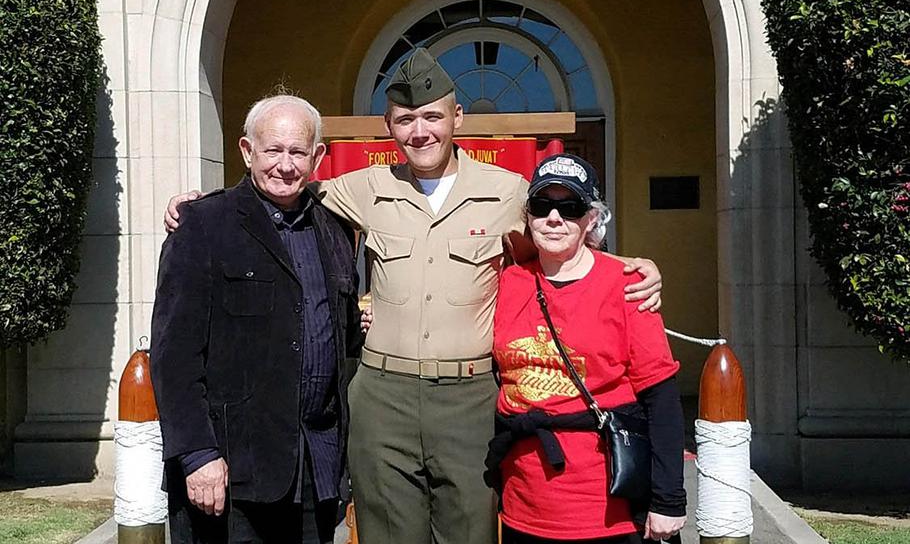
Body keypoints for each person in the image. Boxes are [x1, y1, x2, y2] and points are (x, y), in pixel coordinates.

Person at [164, 49, 663, 544]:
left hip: (469, 398)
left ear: (457, 118)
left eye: (432, 117)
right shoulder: (361, 188)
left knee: (469, 531)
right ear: (389, 126)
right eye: (405, 120)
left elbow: (564, 244)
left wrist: (632, 268)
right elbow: (276, 188)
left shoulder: (510, 192)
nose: (419, 131)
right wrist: (197, 203)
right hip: (384, 399)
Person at [151, 96, 363, 544]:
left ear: (317, 158)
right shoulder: (203, 225)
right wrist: (196, 454)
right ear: (248, 151)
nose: (285, 165)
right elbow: (174, 355)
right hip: (230, 472)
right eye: (273, 150)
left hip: (315, 466)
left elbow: (344, 345)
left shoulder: (338, 231)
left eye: (298, 152)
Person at [483, 154, 686, 544]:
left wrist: (668, 500)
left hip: (607, 510)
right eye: (543, 207)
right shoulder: (510, 281)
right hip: (524, 506)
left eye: (571, 207)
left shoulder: (627, 286)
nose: (555, 218)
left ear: (591, 219)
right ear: (528, 216)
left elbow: (661, 400)